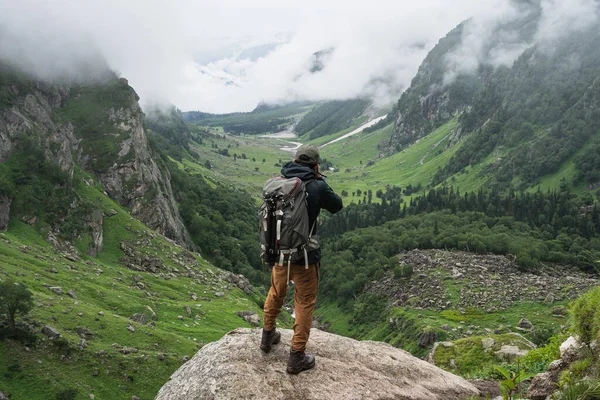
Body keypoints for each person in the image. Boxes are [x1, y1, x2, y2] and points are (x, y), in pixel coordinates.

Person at [260, 144, 343, 374]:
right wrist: (319, 180)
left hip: (279, 253)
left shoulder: (280, 182)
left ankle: (267, 337)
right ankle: (296, 355)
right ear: (315, 165)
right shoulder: (317, 186)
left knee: (276, 292)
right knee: (304, 302)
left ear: (295, 161)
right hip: (306, 257)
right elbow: (337, 205)